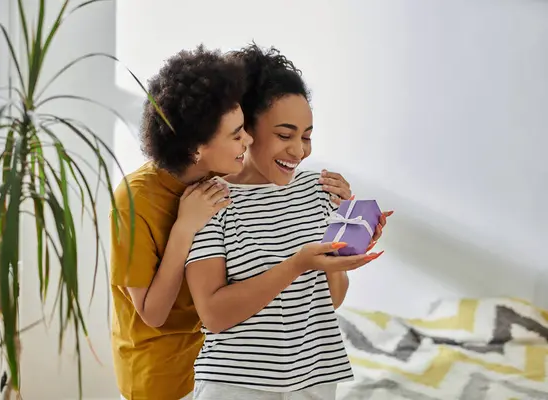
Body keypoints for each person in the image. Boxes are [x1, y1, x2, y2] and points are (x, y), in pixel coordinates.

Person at [109, 45, 358, 400]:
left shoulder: (228, 178)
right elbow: (158, 313)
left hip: (229, 366)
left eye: (306, 136)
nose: (247, 141)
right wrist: (184, 229)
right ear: (199, 147)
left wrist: (343, 227)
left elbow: (324, 297)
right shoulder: (155, 199)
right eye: (238, 134)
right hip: (162, 374)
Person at [185, 44, 392, 400]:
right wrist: (296, 265)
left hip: (314, 381)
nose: (299, 151)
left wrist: (344, 245)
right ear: (245, 129)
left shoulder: (318, 189)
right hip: (236, 386)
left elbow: (332, 299)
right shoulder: (209, 201)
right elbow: (214, 315)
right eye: (285, 135)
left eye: (306, 136)